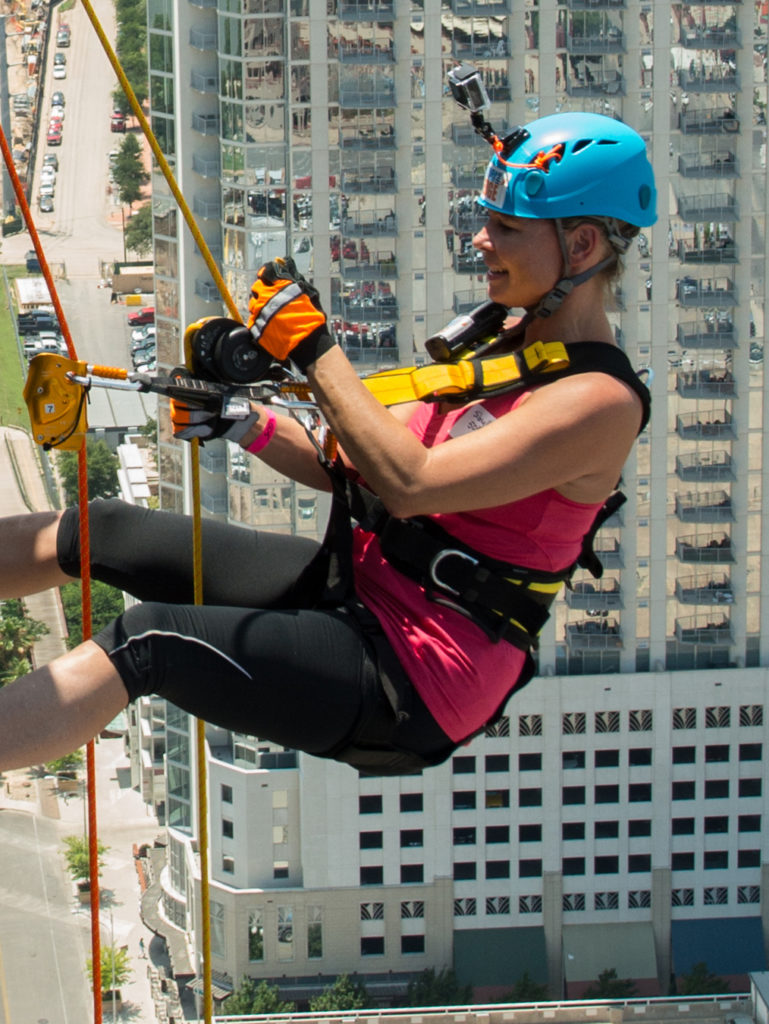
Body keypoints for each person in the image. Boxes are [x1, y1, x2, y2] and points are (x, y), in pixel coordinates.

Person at [0, 112, 656, 777]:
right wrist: (240, 418)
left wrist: (314, 347)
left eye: (507, 227)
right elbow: (353, 458)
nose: (481, 240)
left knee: (147, 645)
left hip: (414, 671)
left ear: (580, 246)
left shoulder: (597, 402)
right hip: (364, 587)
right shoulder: (505, 349)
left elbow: (410, 484)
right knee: (101, 530)